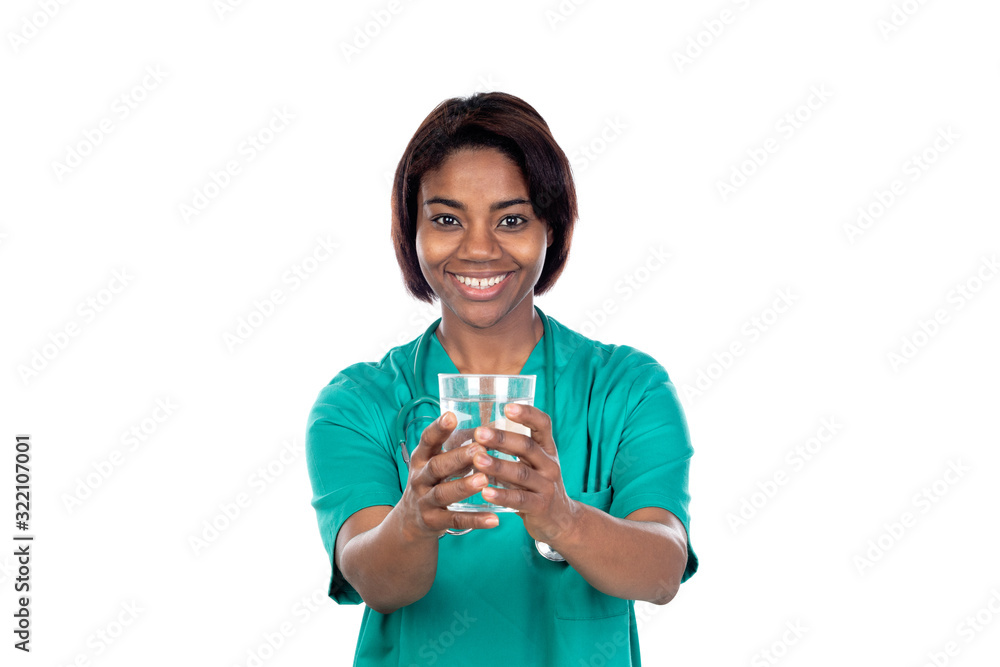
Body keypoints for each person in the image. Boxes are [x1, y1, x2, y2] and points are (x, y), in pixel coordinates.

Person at [305, 91, 697, 666]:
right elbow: (378, 584)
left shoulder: (627, 388)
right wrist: (412, 521)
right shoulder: (358, 403)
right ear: (410, 232)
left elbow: (663, 572)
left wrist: (564, 519)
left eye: (511, 219)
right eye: (446, 219)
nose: (479, 249)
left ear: (551, 228)